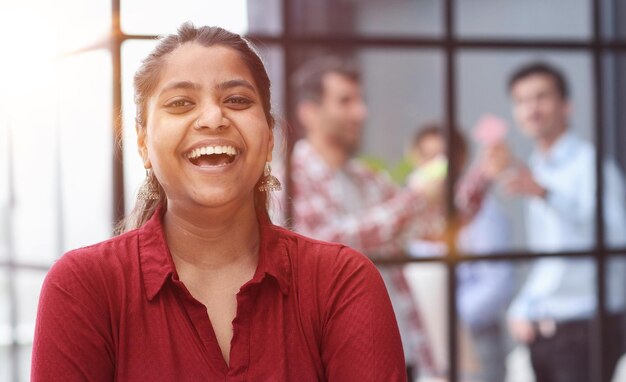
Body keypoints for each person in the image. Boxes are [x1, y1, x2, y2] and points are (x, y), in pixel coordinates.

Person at [31, 23, 407, 381]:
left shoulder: (342, 281)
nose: (213, 118)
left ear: (270, 136)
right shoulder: (83, 287)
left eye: (237, 100)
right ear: (143, 142)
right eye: (180, 103)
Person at [283, 56, 439, 380]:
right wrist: (416, 197)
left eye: (360, 100)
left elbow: (424, 227)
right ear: (309, 113)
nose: (361, 112)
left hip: (400, 345)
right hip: (341, 356)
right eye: (345, 101)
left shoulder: (368, 177)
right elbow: (329, 246)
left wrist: (476, 175)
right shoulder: (289, 181)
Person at [486, 61, 626, 382]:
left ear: (566, 105)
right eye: (521, 101)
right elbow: (552, 259)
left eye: (541, 97)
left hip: (588, 329)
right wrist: (524, 306)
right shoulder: (538, 167)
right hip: (547, 332)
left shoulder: (590, 164)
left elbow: (615, 241)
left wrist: (545, 193)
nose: (531, 108)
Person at [404, 124, 513, 382]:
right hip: (430, 343)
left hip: (475, 338)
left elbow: (497, 283)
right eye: (426, 156)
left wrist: (450, 320)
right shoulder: (414, 213)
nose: (434, 165)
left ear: (460, 159)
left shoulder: (482, 213)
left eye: (442, 157)